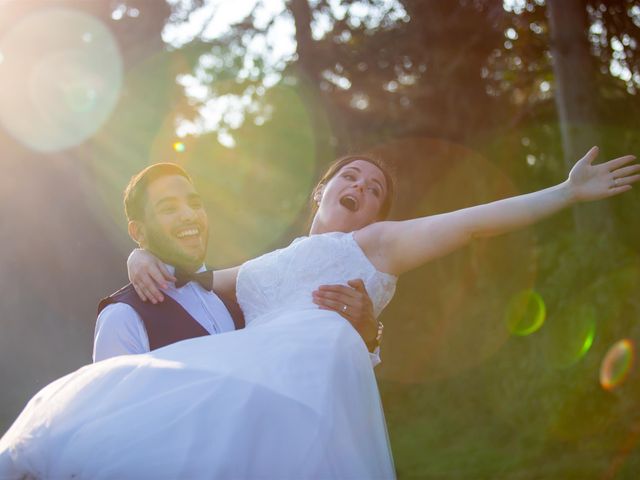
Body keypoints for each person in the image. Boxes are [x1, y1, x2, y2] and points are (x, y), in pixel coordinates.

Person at [0, 147, 637, 479]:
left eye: (375, 191)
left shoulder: (374, 246)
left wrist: (565, 192)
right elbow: (190, 278)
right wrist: (140, 257)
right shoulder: (257, 270)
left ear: (379, 214)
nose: (360, 189)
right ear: (322, 190)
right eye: (349, 177)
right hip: (243, 402)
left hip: (305, 406)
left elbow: (471, 226)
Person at [94, 163, 380, 362]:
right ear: (137, 232)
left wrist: (367, 337)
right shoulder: (123, 316)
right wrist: (139, 253)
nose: (189, 216)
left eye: (194, 204)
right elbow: (113, 427)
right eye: (168, 208)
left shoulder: (249, 294)